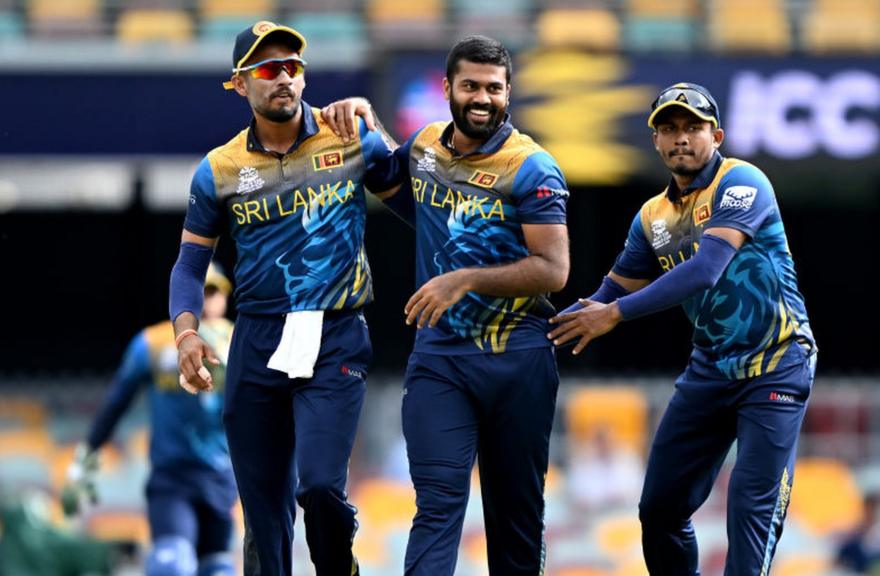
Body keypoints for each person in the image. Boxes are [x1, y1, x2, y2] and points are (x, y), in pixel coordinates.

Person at [322, 35, 570, 575]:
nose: (483, 98)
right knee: (436, 504)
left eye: (494, 89)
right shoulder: (427, 144)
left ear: (509, 93)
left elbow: (554, 269)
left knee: (515, 520)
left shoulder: (532, 167)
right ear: (447, 89)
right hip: (441, 360)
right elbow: (396, 186)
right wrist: (363, 120)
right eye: (471, 86)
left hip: (519, 360)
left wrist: (464, 280)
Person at [547, 82, 817, 574]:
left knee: (748, 509)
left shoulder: (742, 181)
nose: (681, 138)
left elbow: (705, 269)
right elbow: (610, 292)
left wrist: (615, 316)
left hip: (776, 364)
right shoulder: (652, 217)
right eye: (669, 129)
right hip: (711, 369)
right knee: (659, 511)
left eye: (693, 127)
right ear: (655, 141)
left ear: (716, 134)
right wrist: (547, 326)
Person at [168, 20, 396, 576]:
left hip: (336, 331)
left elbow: (416, 198)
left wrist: (375, 119)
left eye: (293, 67)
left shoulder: (347, 134)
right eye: (268, 69)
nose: (284, 79)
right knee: (265, 519)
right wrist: (187, 332)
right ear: (239, 84)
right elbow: (191, 263)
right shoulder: (219, 169)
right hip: (259, 337)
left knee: (319, 487)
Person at [62, 265, 236, 576]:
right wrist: (86, 456)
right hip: (172, 479)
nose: (205, 302)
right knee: (172, 565)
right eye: (197, 292)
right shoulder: (153, 344)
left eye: (212, 292)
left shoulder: (240, 343)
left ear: (224, 298)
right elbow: (117, 402)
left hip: (222, 479)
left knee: (218, 570)